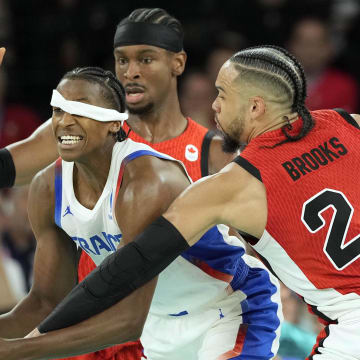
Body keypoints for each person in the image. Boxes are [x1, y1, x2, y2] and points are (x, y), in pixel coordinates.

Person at [27, 45, 360, 360]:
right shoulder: (349, 124)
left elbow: (130, 265)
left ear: (255, 107)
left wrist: (35, 337)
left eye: (223, 95)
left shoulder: (233, 184)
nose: (214, 105)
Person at [0, 9, 240, 359]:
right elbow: (6, 167)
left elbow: (245, 251)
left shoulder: (208, 155)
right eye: (121, 60)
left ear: (178, 63)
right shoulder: (76, 137)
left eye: (145, 59)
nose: (131, 72)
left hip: (184, 322)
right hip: (90, 332)